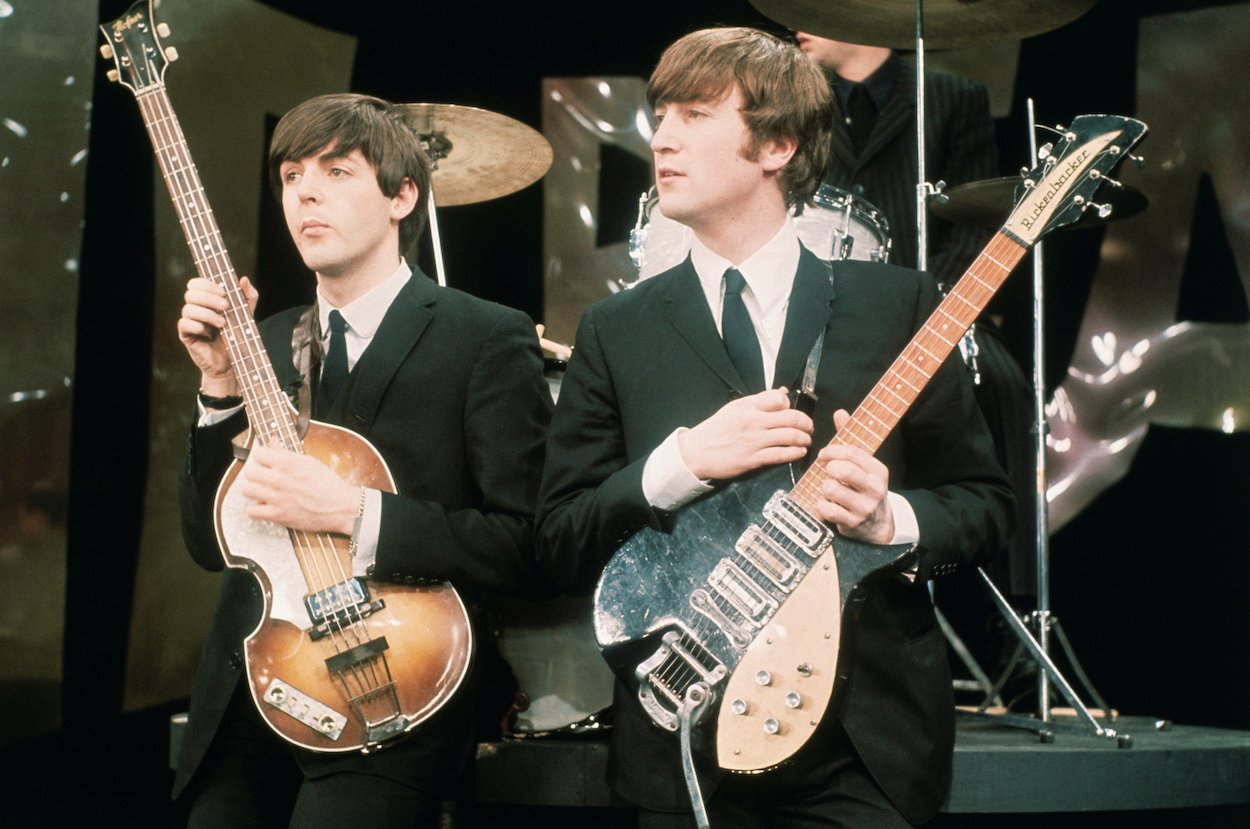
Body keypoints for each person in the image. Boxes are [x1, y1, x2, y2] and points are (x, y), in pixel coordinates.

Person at [536, 26, 1014, 828]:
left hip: (865, 748)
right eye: (662, 115)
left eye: (694, 115)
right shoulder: (616, 329)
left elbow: (986, 505)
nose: (664, 137)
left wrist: (890, 517)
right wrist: (681, 463)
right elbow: (554, 539)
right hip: (686, 740)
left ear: (779, 144)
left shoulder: (895, 303)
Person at [172, 92, 551, 827]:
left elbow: (529, 542)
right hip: (252, 689)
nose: (305, 191)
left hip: (391, 692)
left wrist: (351, 512)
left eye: (337, 171)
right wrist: (218, 388)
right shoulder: (263, 339)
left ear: (403, 195)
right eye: (291, 175)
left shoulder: (485, 337)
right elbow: (206, 542)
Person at [797, 31, 1039, 663]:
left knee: (1004, 384)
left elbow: (977, 222)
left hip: (933, 311)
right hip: (825, 317)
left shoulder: (952, 96)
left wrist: (943, 314)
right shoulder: (794, 96)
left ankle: (1007, 633)